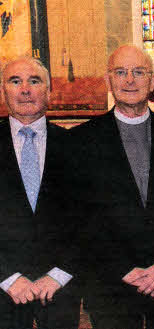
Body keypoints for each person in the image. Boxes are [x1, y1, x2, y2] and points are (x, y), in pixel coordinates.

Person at [69, 45, 154, 329]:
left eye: (139, 72)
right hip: (109, 283)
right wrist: (122, 269)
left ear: (152, 81)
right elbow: (80, 218)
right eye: (121, 72)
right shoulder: (80, 142)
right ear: (108, 80)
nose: (130, 80)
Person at [0, 57, 80, 328]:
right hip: (2, 287)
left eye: (34, 81)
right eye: (15, 81)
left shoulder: (76, 148)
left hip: (59, 288)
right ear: (3, 91)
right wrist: (8, 277)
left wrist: (59, 274)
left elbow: (90, 220)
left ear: (49, 91)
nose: (25, 89)